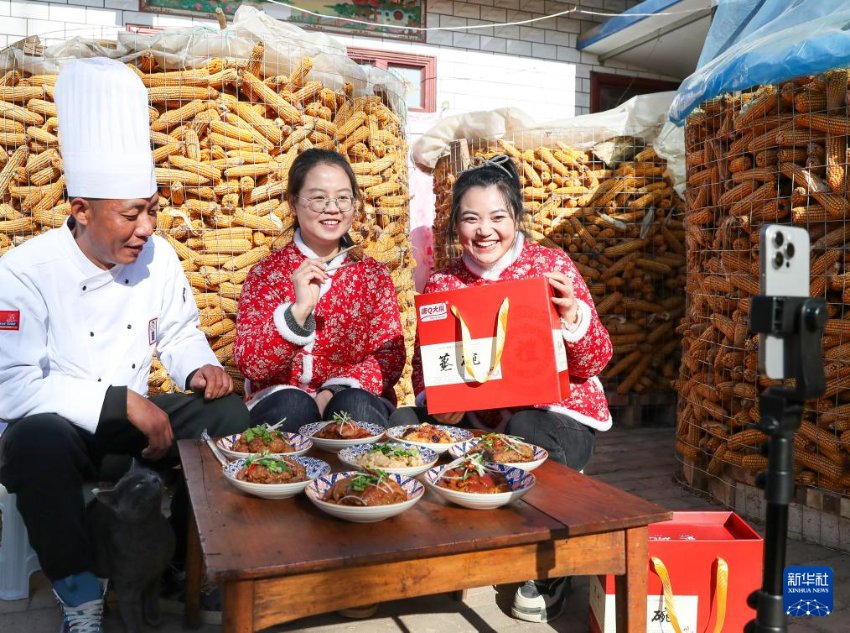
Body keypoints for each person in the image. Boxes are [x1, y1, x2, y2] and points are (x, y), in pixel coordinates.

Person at [0, 58, 250, 633]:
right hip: (66, 432)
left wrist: (200, 370)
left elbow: (181, 331)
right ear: (80, 210)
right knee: (33, 443)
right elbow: (14, 387)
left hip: (137, 431)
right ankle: (80, 595)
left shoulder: (157, 257)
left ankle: (192, 564)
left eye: (152, 211)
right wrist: (118, 402)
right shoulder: (25, 271)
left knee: (230, 411)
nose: (145, 229)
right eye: (131, 214)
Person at [390, 154, 614, 624]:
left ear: (516, 218)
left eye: (497, 217)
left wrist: (573, 316)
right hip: (476, 422)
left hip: (555, 421)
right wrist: (439, 402)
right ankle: (431, 553)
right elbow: (422, 370)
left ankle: (546, 567)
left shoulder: (550, 267)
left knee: (528, 426)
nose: (484, 230)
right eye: (470, 218)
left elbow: (595, 359)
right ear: (455, 225)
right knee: (404, 423)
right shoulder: (445, 281)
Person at [234, 148, 405, 431]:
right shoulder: (267, 274)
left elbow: (388, 356)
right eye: (318, 198)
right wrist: (297, 313)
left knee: (355, 406)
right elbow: (252, 364)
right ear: (293, 203)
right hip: (281, 398)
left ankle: (366, 474)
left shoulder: (372, 275)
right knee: (294, 405)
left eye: (342, 198)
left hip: (354, 395)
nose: (332, 208)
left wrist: (334, 391)